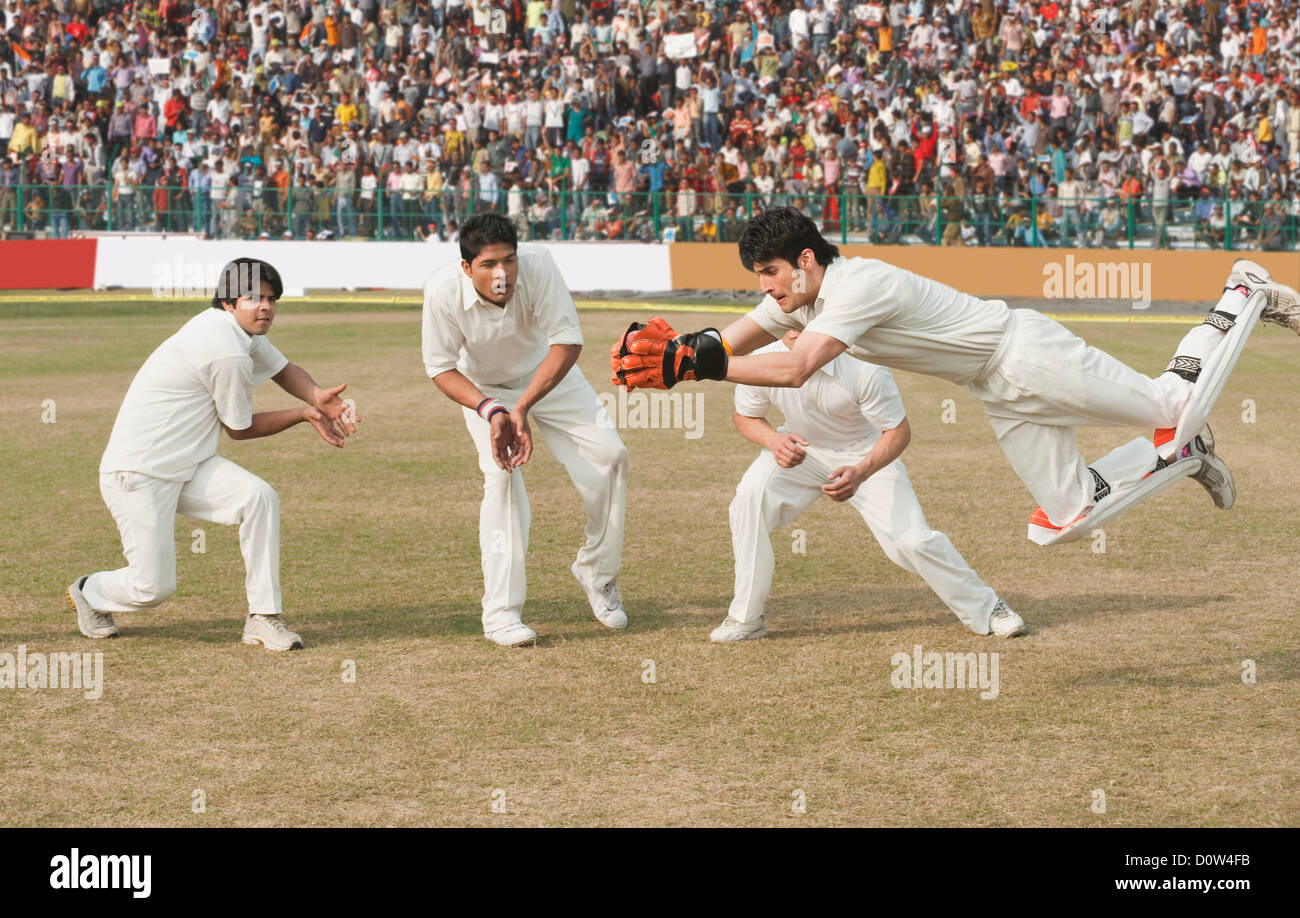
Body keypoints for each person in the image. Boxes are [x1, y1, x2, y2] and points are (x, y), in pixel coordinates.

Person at [613, 208, 1300, 545]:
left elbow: (793, 368)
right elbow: (727, 341)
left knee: (1169, 404)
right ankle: (1187, 456)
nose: (766, 290)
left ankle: (1239, 295)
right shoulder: (799, 293)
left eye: (769, 275)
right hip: (995, 387)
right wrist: (685, 356)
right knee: (1063, 518)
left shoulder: (858, 286)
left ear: (803, 260)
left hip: (1025, 354)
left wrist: (705, 365)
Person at [66, 259, 358, 651]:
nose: (266, 307)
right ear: (228, 302)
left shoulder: (241, 331)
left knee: (259, 497)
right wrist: (305, 413)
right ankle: (89, 590)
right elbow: (239, 430)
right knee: (152, 588)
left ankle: (263, 616)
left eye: (272, 299)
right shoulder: (225, 350)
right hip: (139, 473)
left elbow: (283, 369)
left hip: (189, 464)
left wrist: (316, 395)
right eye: (254, 297)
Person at [717, 330, 1024, 643]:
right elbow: (745, 416)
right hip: (800, 446)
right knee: (748, 501)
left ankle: (987, 608)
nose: (796, 331)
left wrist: (861, 472)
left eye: (806, 323)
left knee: (911, 540)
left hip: (865, 452)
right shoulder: (762, 361)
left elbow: (897, 432)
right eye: (788, 323)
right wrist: (774, 440)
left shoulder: (863, 365)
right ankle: (746, 618)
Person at [421, 213, 629, 647]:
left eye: (509, 261)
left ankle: (597, 572)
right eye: (489, 265)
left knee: (611, 457)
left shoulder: (539, 265)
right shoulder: (442, 291)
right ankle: (501, 614)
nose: (503, 274)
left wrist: (526, 406)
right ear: (466, 267)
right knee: (502, 477)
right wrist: (495, 410)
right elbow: (440, 368)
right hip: (487, 392)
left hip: (550, 377)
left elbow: (567, 341)